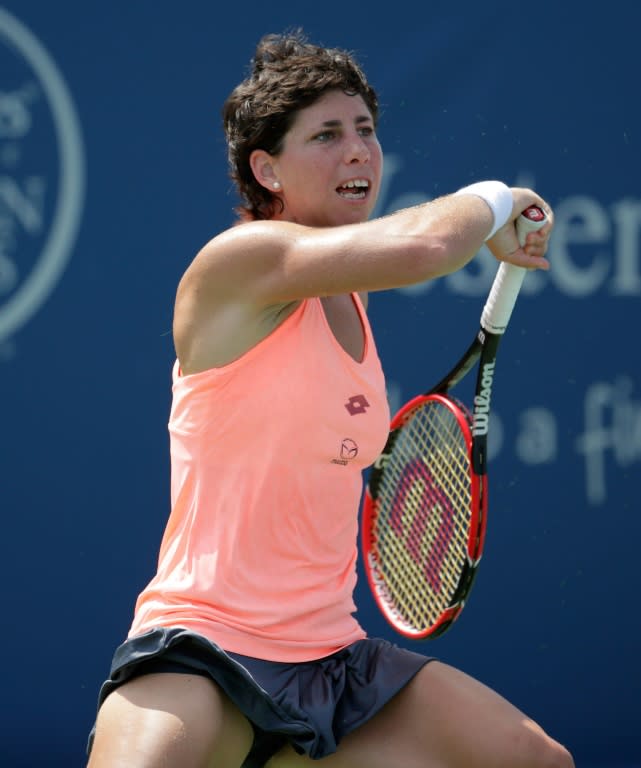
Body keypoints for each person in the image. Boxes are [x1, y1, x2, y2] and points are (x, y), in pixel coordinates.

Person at [87, 30, 574, 768]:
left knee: (533, 759)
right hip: (200, 651)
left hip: (331, 660)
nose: (358, 151)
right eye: (325, 135)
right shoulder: (237, 264)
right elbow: (422, 249)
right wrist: (496, 199)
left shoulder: (349, 295)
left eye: (366, 130)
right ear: (266, 169)